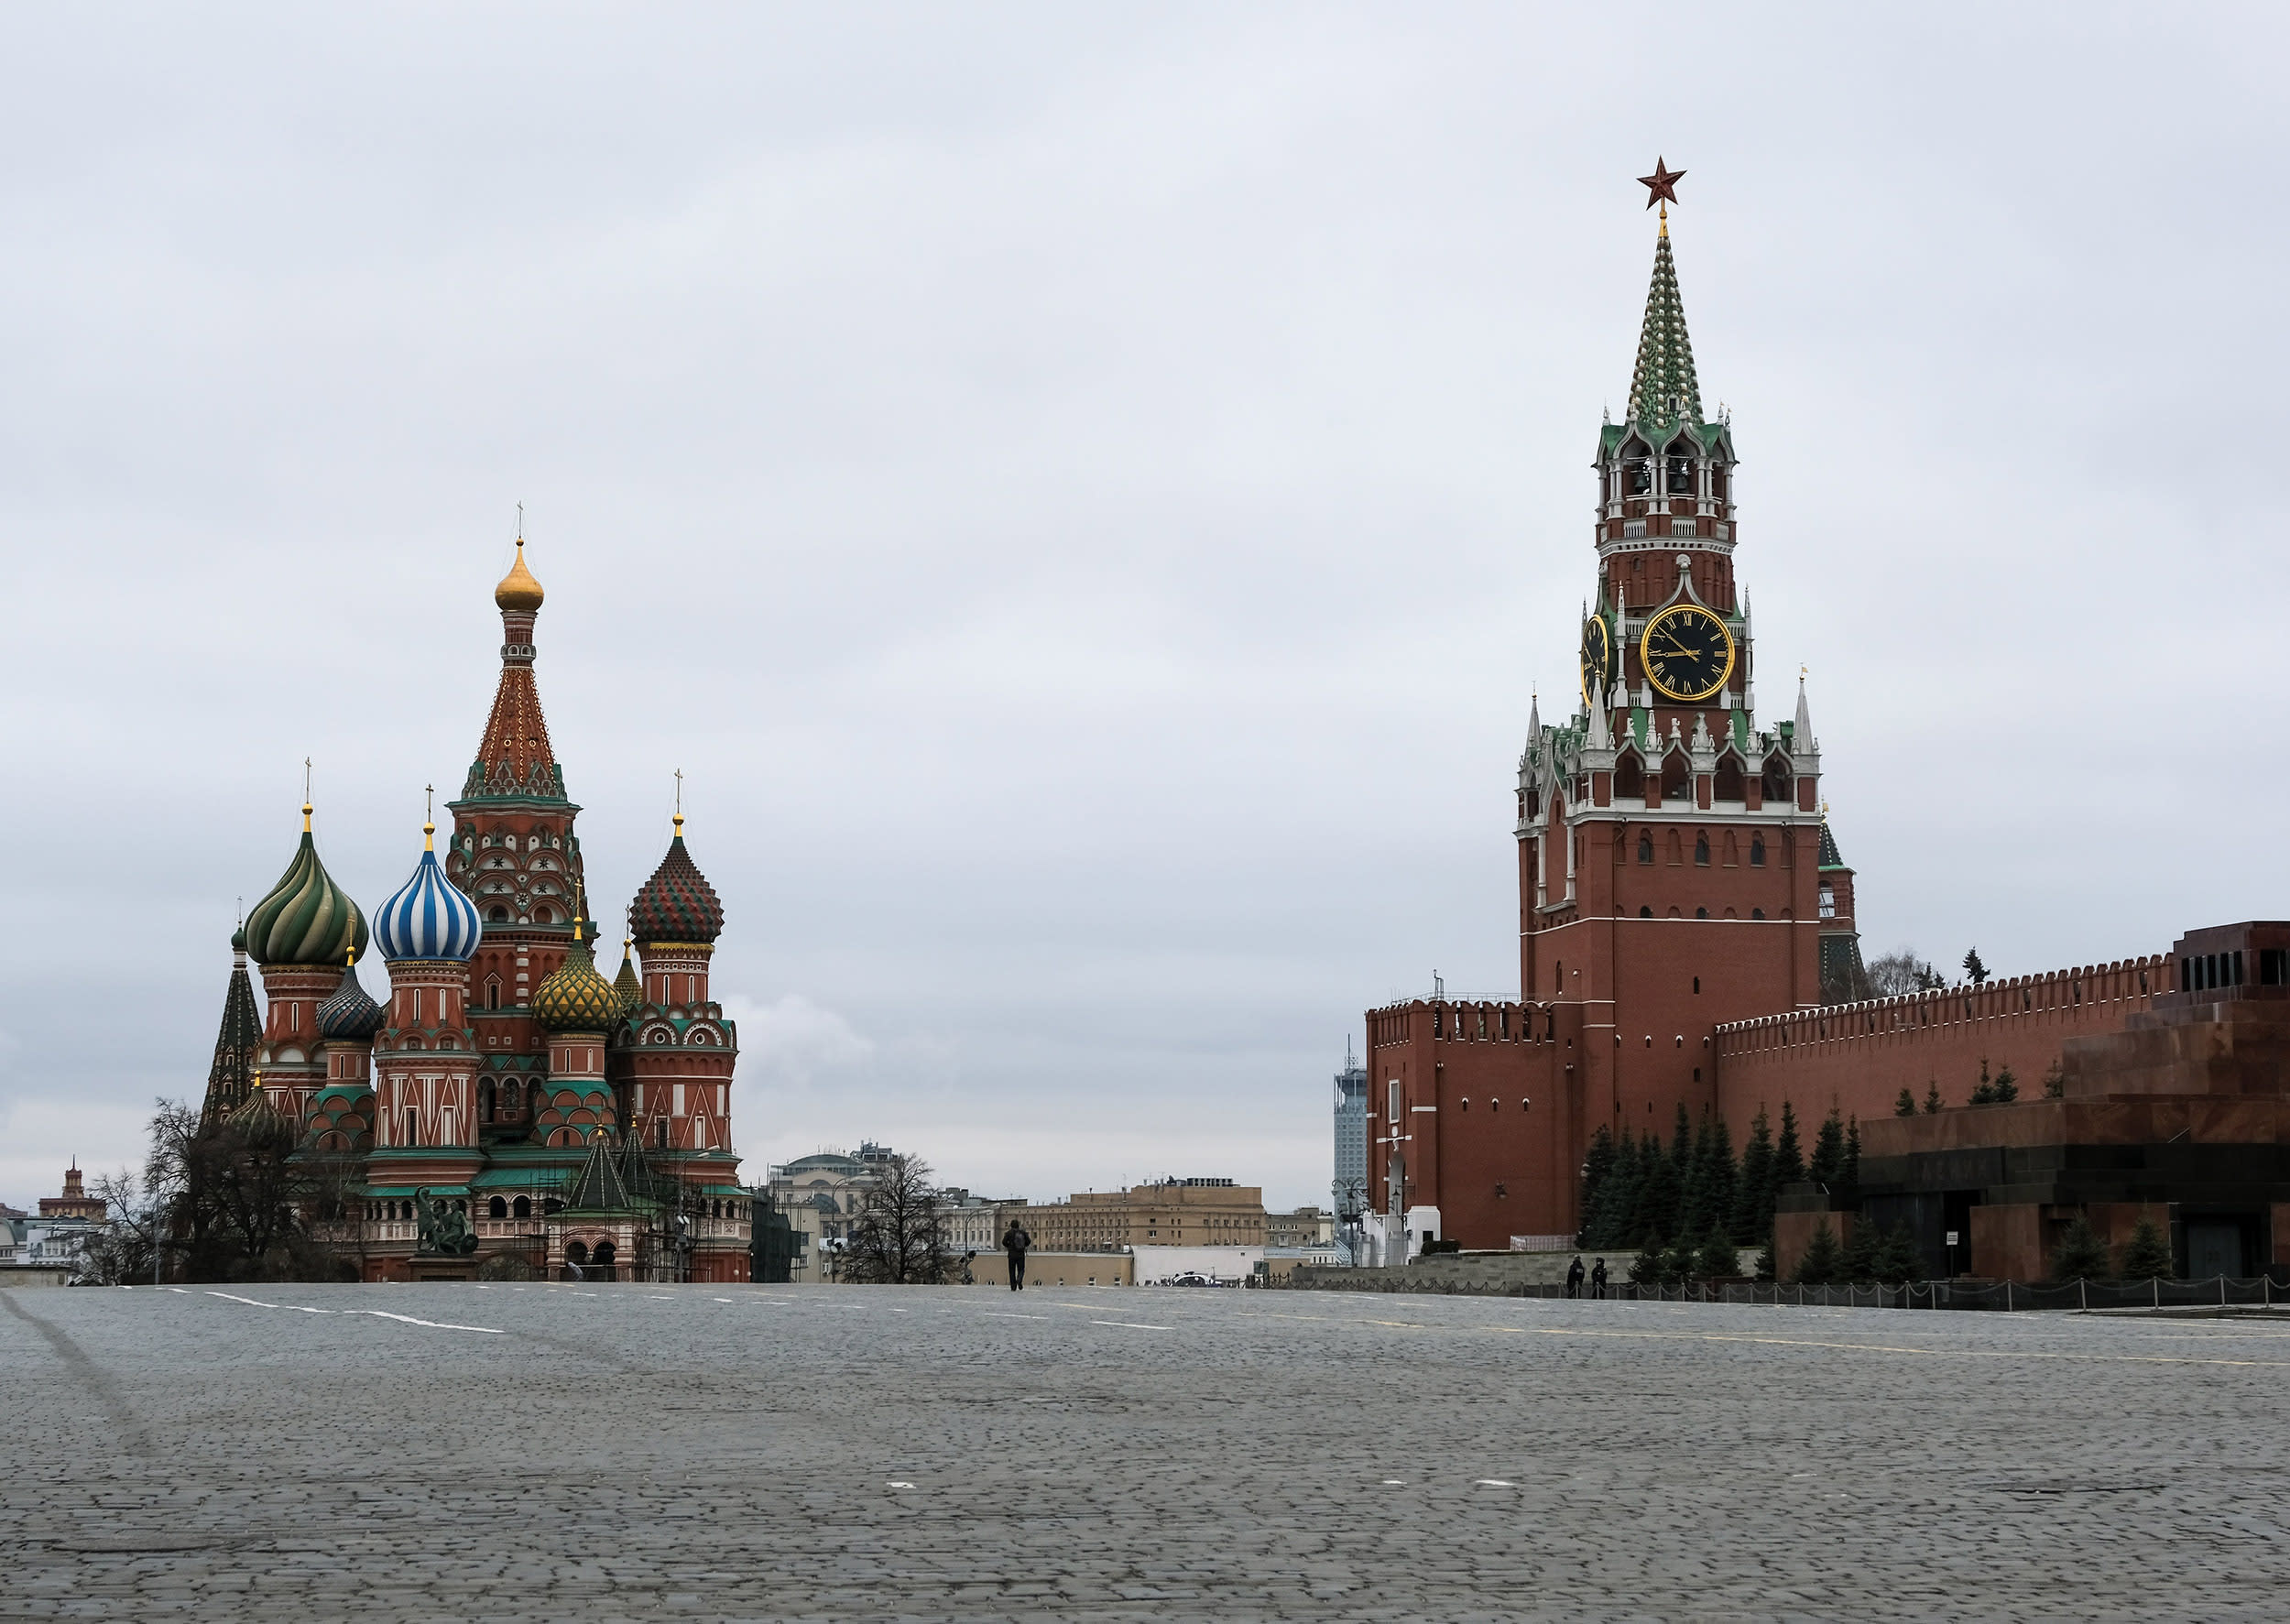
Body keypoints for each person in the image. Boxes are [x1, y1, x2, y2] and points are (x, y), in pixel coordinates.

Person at [1001, 1219, 1031, 1292]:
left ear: (1011, 1225)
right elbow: (1029, 1241)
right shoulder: (1023, 1233)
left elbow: (1004, 1242)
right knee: (1021, 1269)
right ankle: (1019, 1279)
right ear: (1018, 1225)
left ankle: (1013, 1286)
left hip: (1011, 1254)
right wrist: (1024, 1246)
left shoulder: (1009, 1233)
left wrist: (1009, 1246)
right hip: (1021, 1254)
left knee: (1012, 1270)